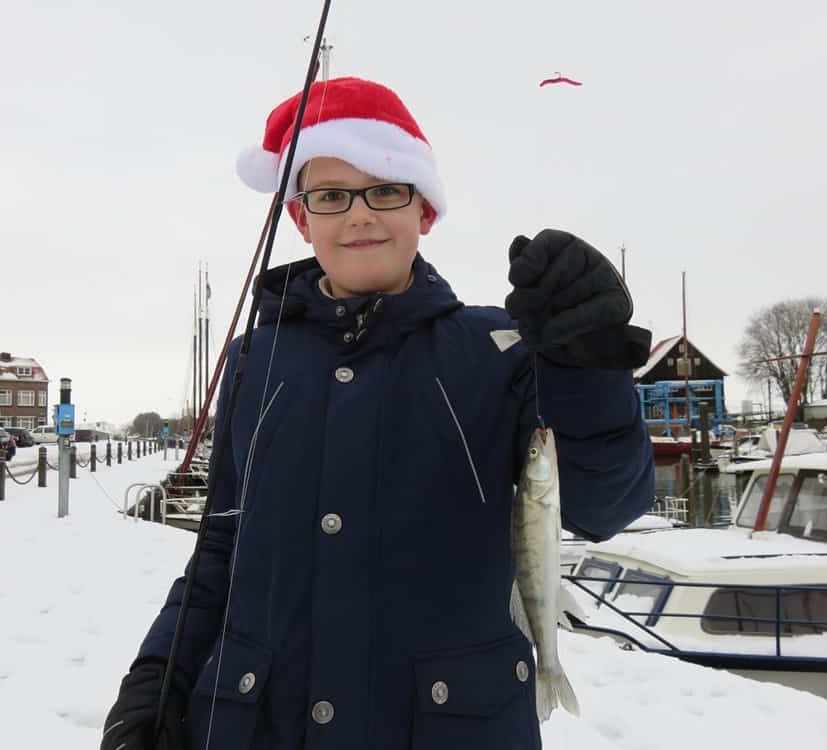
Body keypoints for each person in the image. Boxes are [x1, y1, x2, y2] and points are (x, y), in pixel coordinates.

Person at [101, 77, 654, 750]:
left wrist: (588, 368)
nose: (359, 215)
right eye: (331, 197)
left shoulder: (503, 349)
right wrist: (155, 686)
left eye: (385, 189)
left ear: (424, 210)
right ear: (302, 219)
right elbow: (221, 549)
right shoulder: (254, 359)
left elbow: (606, 504)